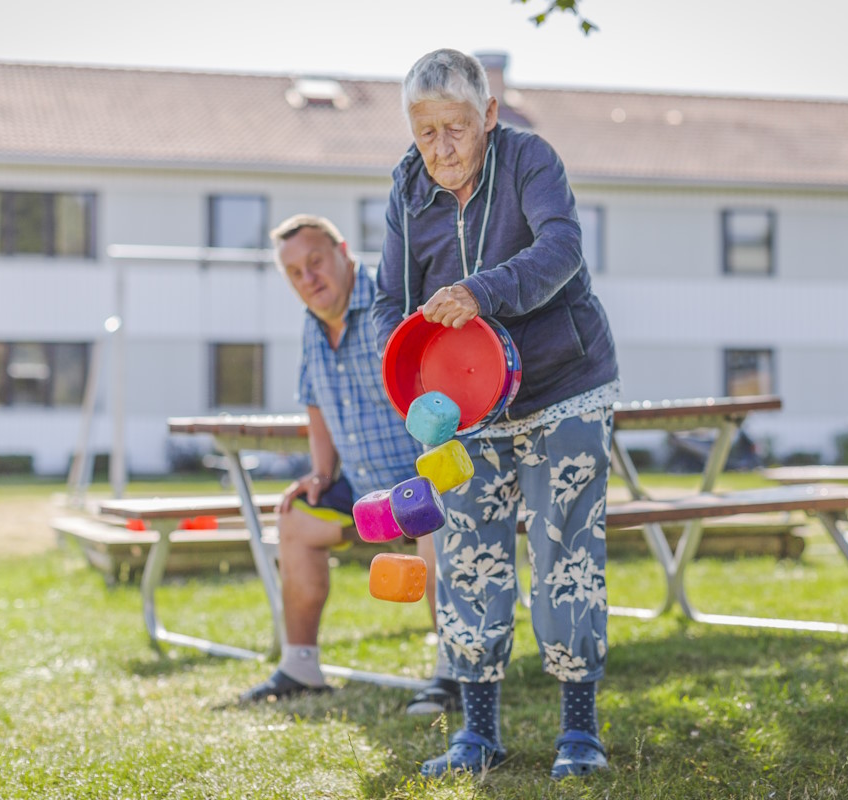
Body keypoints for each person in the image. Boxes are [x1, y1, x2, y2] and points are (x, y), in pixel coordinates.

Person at [371, 49, 621, 779]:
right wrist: (409, 377)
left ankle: (580, 732)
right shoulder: (408, 188)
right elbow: (391, 298)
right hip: (464, 406)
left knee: (565, 551)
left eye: (456, 127)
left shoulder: (529, 160)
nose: (441, 148)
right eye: (425, 133)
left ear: (487, 115)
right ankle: (477, 734)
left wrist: (484, 290)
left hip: (562, 384)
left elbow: (563, 247)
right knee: (468, 557)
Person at [239, 213, 459, 716]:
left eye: (315, 262)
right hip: (365, 494)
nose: (308, 278)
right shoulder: (313, 326)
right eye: (295, 272)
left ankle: (453, 673)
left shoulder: (392, 303)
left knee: (434, 530)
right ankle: (300, 666)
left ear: (344, 253)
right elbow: (314, 399)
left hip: (424, 485)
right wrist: (320, 472)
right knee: (295, 519)